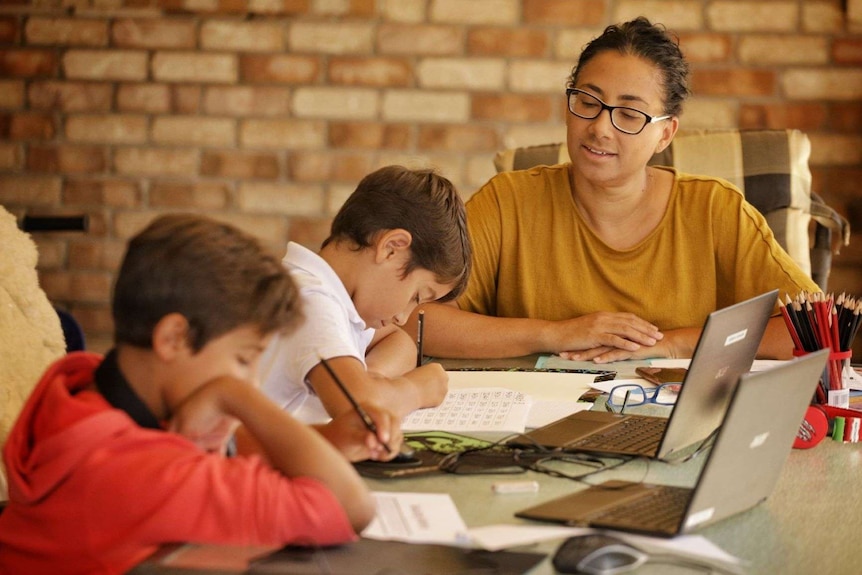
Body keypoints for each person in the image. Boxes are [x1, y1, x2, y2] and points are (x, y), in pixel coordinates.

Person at [0, 214, 402, 574]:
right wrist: (234, 395)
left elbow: (229, 448)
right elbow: (350, 507)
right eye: (244, 360)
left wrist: (332, 440)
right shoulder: (146, 474)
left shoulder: (84, 389)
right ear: (174, 338)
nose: (252, 381)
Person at [409, 17, 818, 363]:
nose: (600, 128)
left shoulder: (715, 210)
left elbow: (817, 327)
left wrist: (672, 343)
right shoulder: (508, 201)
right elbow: (415, 319)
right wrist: (553, 335)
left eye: (629, 113)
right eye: (588, 102)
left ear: (664, 134)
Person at [259, 165, 472, 424]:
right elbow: (358, 406)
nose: (403, 317)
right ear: (391, 249)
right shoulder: (308, 300)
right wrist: (414, 391)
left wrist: (370, 376)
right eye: (416, 295)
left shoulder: (342, 302)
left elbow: (400, 340)